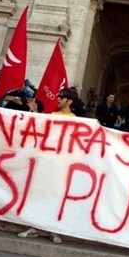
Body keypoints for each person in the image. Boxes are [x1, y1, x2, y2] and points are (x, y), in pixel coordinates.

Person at [17, 87, 79, 244]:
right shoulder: (52, 116)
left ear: (69, 101)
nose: (57, 99)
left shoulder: (76, 121)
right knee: (40, 194)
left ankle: (53, 229)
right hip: (46, 163)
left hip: (62, 165)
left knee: (56, 196)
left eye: (62, 97)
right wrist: (35, 113)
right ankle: (34, 227)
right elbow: (39, 129)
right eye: (58, 96)